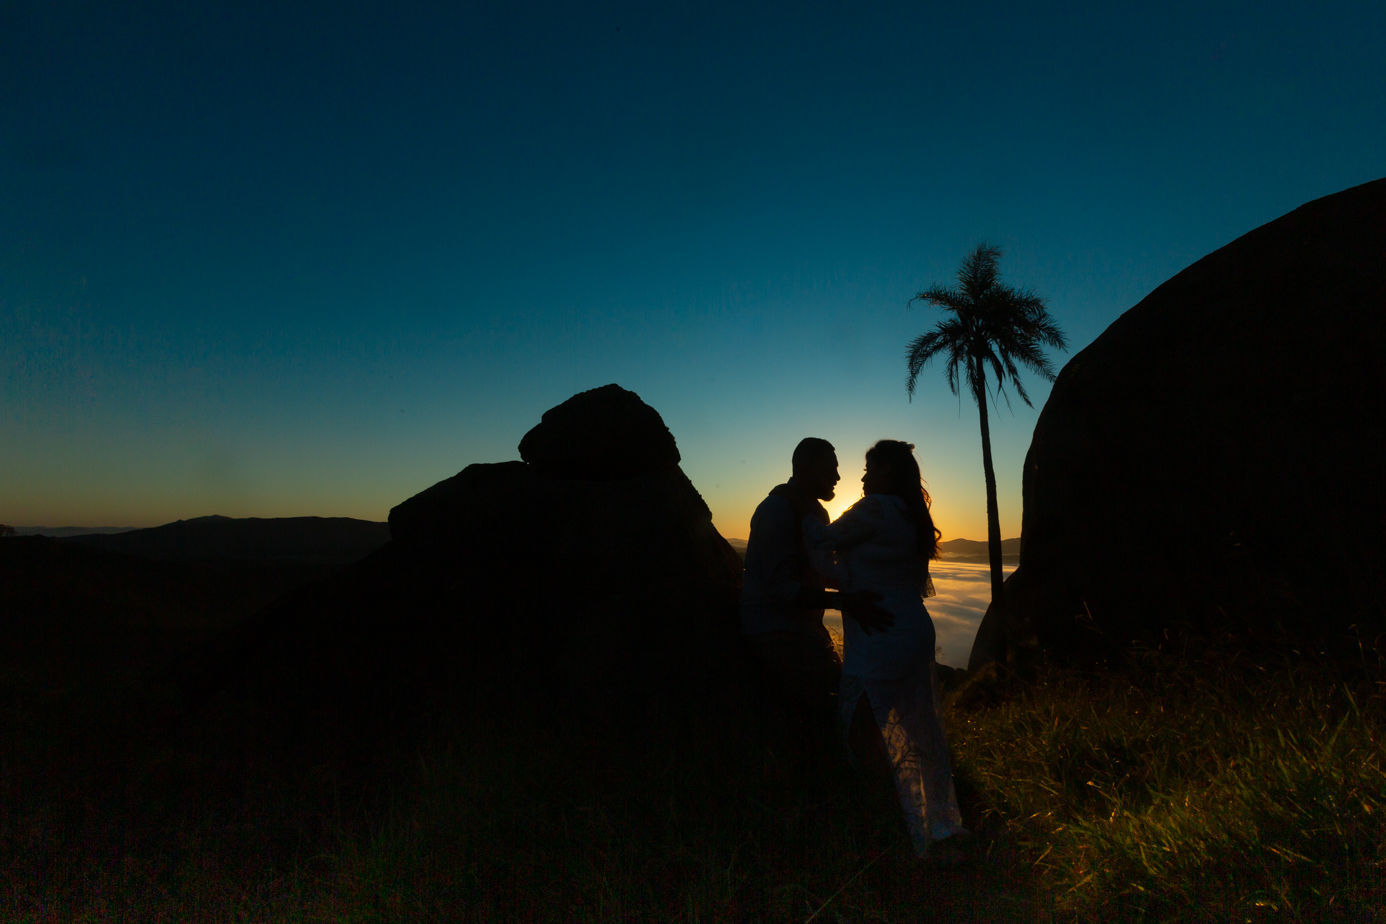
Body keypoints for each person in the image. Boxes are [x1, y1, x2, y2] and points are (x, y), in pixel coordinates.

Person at [803, 439, 969, 860]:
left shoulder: (875, 509)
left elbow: (819, 541)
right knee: (920, 732)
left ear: (887, 473)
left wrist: (802, 512)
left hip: (880, 632)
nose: (861, 478)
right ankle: (939, 825)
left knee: (861, 726)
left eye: (869, 469)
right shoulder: (913, 516)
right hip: (912, 627)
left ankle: (885, 828)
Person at [740, 437, 891, 766]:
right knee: (834, 708)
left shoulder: (815, 512)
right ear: (806, 468)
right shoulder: (776, 510)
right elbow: (781, 590)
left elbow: (819, 570)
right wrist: (847, 602)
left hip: (802, 630)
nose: (838, 477)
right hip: (774, 632)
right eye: (830, 469)